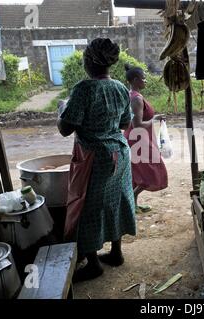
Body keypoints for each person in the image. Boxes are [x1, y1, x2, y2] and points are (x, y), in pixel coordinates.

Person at [57, 38, 136, 282]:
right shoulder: (121, 88)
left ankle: (93, 264)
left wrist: (62, 110)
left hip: (94, 158)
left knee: (88, 207)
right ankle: (116, 252)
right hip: (120, 153)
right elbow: (125, 123)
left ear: (89, 61)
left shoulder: (84, 89)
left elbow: (65, 129)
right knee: (116, 200)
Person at [123, 64, 168, 213]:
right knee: (152, 171)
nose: (146, 81)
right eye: (143, 78)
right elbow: (138, 125)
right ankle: (132, 199)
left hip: (136, 139)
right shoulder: (136, 99)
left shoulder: (130, 95)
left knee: (138, 173)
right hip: (138, 140)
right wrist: (154, 119)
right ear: (135, 80)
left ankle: (133, 204)